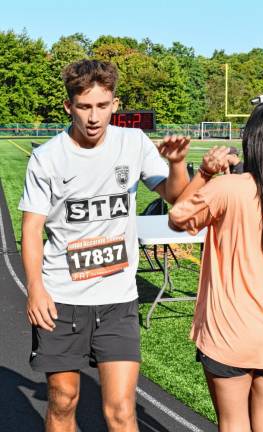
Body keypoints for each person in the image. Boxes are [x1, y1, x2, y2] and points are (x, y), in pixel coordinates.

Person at [19, 59, 191, 432]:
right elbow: (31, 228)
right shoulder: (47, 158)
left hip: (117, 299)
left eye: (102, 105)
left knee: (121, 411)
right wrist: (35, 289)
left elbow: (176, 196)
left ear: (115, 103)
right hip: (62, 299)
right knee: (64, 401)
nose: (94, 117)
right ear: (69, 107)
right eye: (84, 106)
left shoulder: (133, 143)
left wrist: (177, 164)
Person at [169, 100, 263, 432]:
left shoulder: (227, 189)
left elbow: (177, 218)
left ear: (252, 140)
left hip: (228, 333)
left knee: (233, 423)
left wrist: (206, 173)